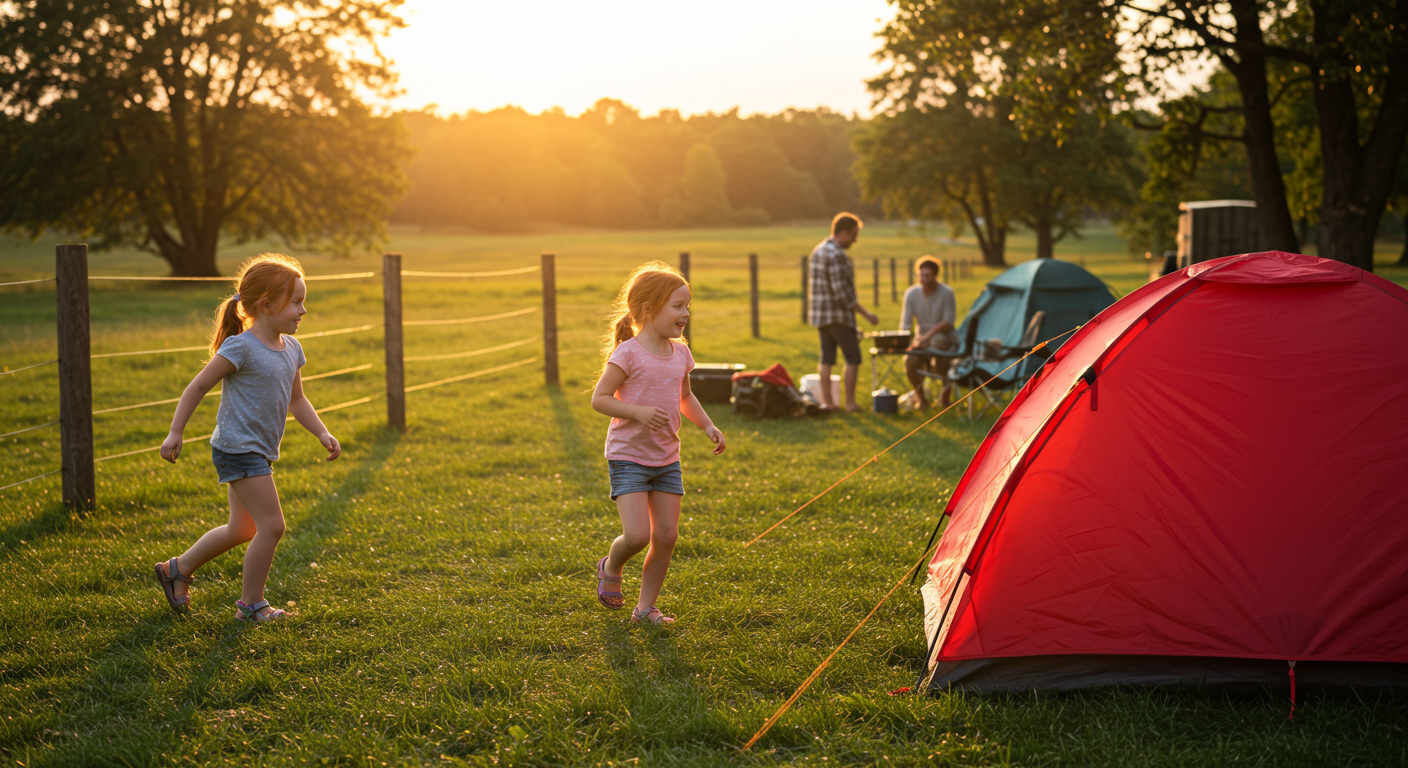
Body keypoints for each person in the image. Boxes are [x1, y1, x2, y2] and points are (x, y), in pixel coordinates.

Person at [155, 254, 342, 622]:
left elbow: (297, 399)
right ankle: (252, 606)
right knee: (272, 526)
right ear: (266, 305)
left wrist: (322, 431)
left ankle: (175, 569)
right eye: (296, 302)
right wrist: (176, 431)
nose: (303, 310)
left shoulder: (292, 349)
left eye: (304, 301)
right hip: (238, 449)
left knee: (243, 528)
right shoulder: (240, 348)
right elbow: (198, 387)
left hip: (257, 450)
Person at [590, 261, 726, 625]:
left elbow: (685, 397)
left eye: (687, 306)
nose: (685, 314)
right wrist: (635, 412)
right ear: (648, 309)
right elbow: (600, 399)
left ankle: (645, 608)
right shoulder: (628, 353)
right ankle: (611, 564)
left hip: (667, 458)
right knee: (637, 536)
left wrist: (708, 426)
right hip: (629, 457)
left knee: (665, 537)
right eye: (677, 306)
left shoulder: (680, 352)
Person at [809, 212, 879, 412]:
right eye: (854, 235)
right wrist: (867, 314)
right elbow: (843, 295)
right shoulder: (837, 255)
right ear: (845, 232)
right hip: (839, 317)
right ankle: (850, 403)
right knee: (853, 358)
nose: (855, 240)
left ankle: (828, 403)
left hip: (821, 317)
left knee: (826, 359)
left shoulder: (818, 250)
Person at [900, 256, 959, 409]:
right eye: (921, 275)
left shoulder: (946, 292)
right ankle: (922, 399)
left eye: (927, 276)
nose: (924, 279)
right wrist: (908, 340)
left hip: (944, 338)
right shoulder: (911, 294)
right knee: (910, 362)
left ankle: (945, 388)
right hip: (921, 341)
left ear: (935, 276)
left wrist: (928, 335)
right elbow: (905, 323)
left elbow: (948, 321)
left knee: (937, 343)